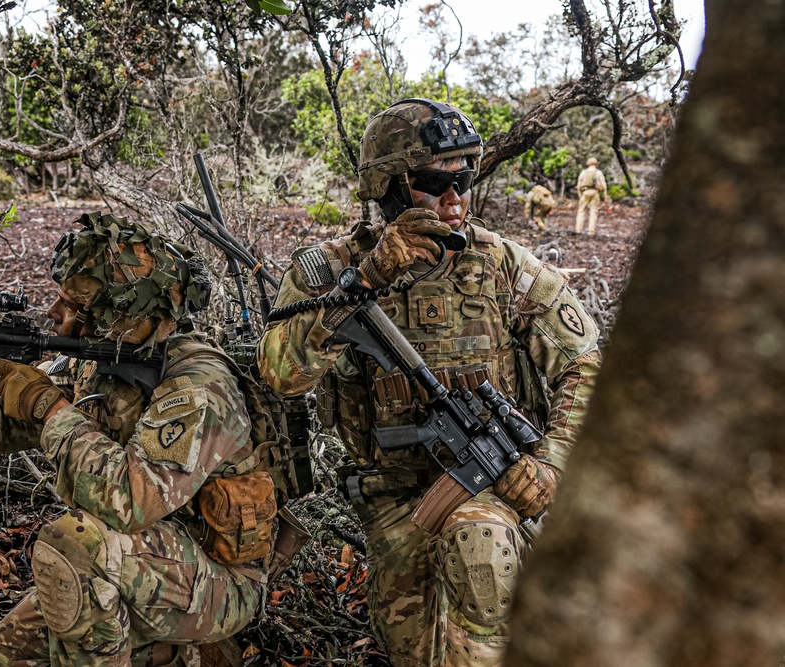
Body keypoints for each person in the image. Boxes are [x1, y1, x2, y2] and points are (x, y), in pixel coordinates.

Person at [257, 98, 601, 667]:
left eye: (465, 180)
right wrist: (364, 284)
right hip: (395, 500)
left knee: (481, 551)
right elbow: (278, 373)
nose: (454, 197)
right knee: (418, 650)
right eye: (432, 182)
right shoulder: (329, 272)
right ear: (387, 187)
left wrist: (552, 464)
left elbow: (587, 365)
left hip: (494, 486)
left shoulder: (502, 264)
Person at [0, 212, 286, 667]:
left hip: (219, 579)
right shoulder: (101, 358)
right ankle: (156, 648)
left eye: (73, 307)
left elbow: (130, 499)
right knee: (9, 651)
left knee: (73, 547)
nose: (55, 315)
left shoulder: (197, 385)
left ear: (126, 317)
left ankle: (184, 647)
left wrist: (48, 406)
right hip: (136, 560)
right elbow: (13, 425)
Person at [575, 156, 607, 235]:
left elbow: (579, 185)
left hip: (585, 193)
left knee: (581, 211)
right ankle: (591, 231)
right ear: (596, 164)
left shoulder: (583, 172)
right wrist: (604, 196)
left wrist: (580, 195)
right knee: (593, 211)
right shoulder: (598, 173)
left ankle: (578, 230)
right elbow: (604, 185)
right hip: (594, 193)